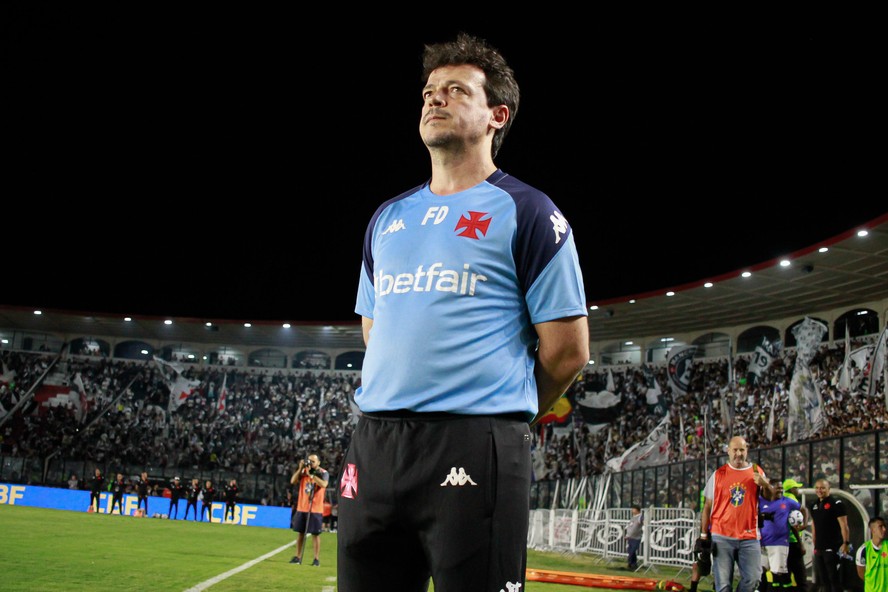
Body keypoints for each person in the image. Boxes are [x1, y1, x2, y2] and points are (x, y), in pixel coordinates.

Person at [337, 32, 589, 592]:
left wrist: (498, 418)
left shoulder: (529, 211)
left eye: (456, 90)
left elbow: (568, 351)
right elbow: (375, 331)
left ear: (498, 115)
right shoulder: (387, 217)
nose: (435, 98)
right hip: (374, 444)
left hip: (475, 444)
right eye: (430, 91)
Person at [699, 436, 773, 592]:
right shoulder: (718, 474)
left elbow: (769, 498)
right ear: (728, 451)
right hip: (722, 535)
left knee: (753, 579)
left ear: (747, 450)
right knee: (723, 584)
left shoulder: (757, 471)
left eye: (742, 450)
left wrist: (765, 485)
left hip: (749, 536)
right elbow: (707, 506)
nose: (738, 453)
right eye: (735, 450)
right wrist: (704, 535)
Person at [758, 479, 801, 592]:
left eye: (781, 488)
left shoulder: (787, 502)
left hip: (779, 543)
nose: (780, 490)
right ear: (770, 488)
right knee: (760, 571)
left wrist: (803, 523)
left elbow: (803, 509)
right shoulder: (759, 501)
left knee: (779, 574)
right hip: (761, 543)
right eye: (778, 488)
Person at [810, 478, 850, 592]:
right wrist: (814, 541)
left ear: (829, 489)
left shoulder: (836, 504)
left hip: (833, 547)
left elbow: (844, 525)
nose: (819, 490)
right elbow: (814, 524)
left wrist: (846, 543)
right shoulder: (814, 505)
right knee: (823, 580)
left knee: (834, 579)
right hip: (819, 547)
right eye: (817, 488)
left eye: (822, 488)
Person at [289, 455, 329, 566]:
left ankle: (316, 559)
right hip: (302, 506)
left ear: (318, 462)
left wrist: (312, 475)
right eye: (309, 461)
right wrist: (300, 468)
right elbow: (293, 481)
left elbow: (324, 484)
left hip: (315, 508)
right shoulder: (303, 471)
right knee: (300, 533)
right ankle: (297, 557)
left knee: (315, 534)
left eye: (313, 461)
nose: (310, 463)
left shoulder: (323, 473)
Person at [782, 478, 809, 592]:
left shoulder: (781, 499)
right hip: (793, 542)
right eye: (796, 488)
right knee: (801, 576)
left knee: (785, 575)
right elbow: (793, 525)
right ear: (792, 489)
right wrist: (801, 544)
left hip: (782, 543)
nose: (798, 490)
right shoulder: (791, 500)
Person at [856, 516, 887, 591]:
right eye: (880, 526)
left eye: (884, 526)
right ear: (873, 530)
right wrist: (873, 582)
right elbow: (861, 572)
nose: (884, 529)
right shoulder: (864, 550)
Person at [626, 505, 643, 570]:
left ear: (637, 510)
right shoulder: (633, 517)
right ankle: (633, 564)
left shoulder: (640, 517)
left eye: (633, 509)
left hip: (636, 538)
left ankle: (630, 563)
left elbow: (644, 522)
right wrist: (627, 535)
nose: (632, 510)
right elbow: (630, 526)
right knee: (630, 551)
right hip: (630, 537)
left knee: (632, 551)